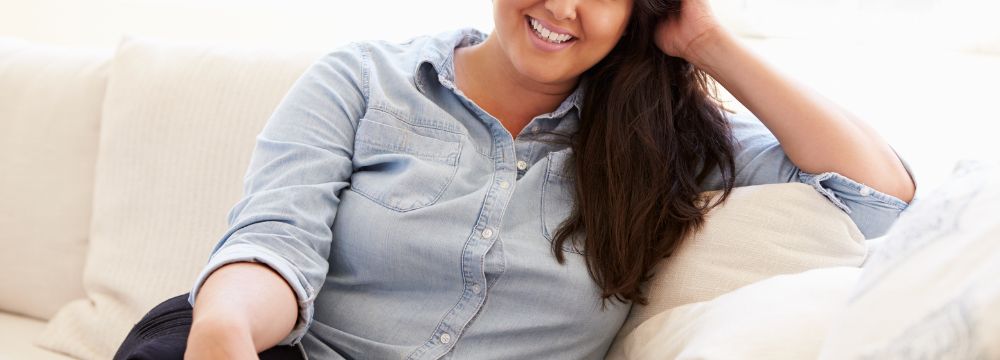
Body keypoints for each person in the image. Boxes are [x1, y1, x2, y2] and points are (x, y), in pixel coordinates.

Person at [114, 0, 918, 358]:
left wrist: (707, 37)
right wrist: (223, 332)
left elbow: (877, 198)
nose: (563, 5)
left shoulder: (663, 144)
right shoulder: (364, 80)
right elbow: (275, 239)